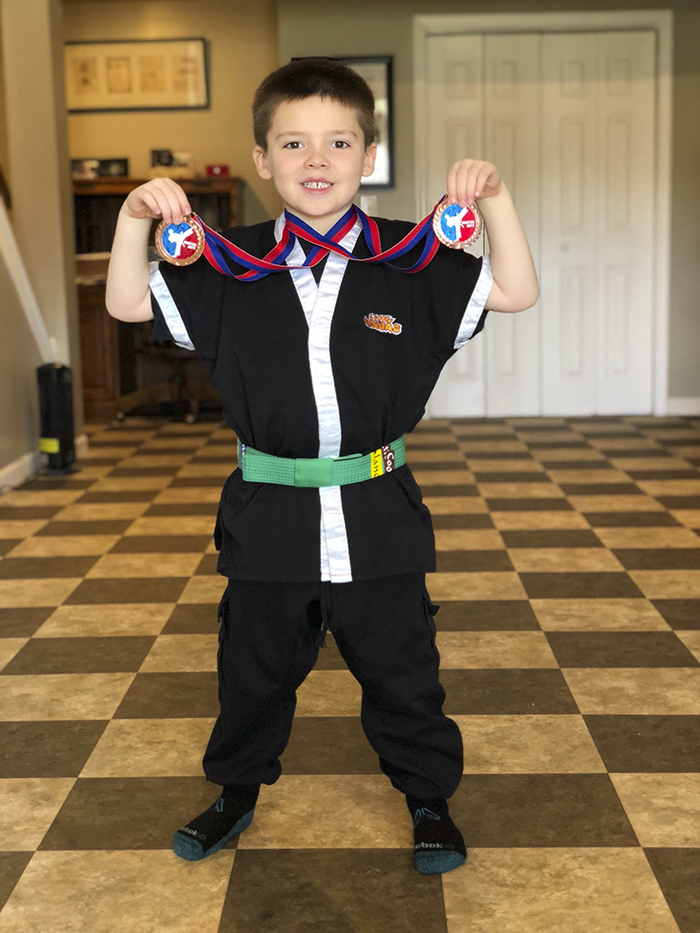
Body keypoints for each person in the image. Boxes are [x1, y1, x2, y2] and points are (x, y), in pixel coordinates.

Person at [105, 57, 538, 876]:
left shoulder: (411, 260)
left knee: (402, 669)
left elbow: (515, 289)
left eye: (338, 141)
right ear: (263, 159)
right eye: (293, 141)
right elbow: (129, 302)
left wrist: (497, 201)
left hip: (378, 514)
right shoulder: (227, 266)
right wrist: (134, 219)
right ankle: (235, 790)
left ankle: (428, 799)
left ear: (366, 156)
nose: (317, 159)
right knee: (252, 669)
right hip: (267, 515)